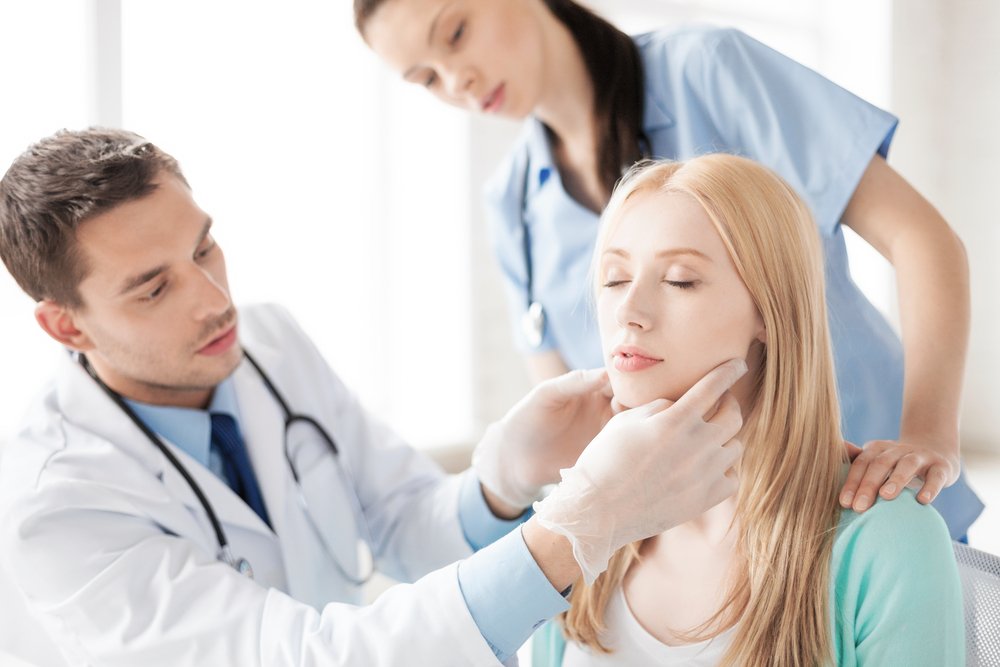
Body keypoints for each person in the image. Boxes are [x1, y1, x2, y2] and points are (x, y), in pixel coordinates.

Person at [0, 128, 747, 667]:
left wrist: (503, 478)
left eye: (203, 247)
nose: (213, 299)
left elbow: (402, 520)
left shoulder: (268, 344)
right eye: (154, 286)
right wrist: (580, 525)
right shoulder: (57, 508)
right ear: (65, 323)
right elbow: (306, 657)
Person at [353, 0, 982, 538]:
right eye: (426, 78)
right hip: (719, 553)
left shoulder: (708, 71)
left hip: (879, 489)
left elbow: (922, 239)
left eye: (456, 33)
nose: (456, 80)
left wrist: (925, 437)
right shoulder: (513, 208)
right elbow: (589, 409)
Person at [532, 154, 964, 666]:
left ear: (769, 311)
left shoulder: (887, 540)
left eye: (679, 281)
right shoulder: (577, 525)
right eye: (614, 279)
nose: (629, 311)